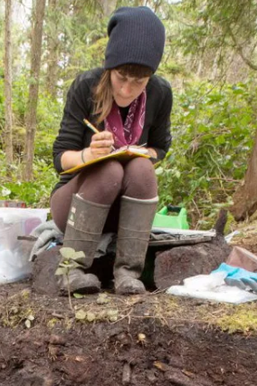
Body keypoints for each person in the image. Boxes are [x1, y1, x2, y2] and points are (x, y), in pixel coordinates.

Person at [50, 6, 171, 296]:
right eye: (121, 77)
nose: (128, 90)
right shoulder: (86, 86)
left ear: (150, 77)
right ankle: (72, 270)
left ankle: (128, 274)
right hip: (76, 204)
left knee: (141, 168)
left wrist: (140, 153)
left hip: (124, 210)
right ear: (110, 67)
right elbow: (60, 157)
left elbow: (160, 147)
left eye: (138, 82)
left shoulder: (160, 93)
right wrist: (88, 156)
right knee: (109, 168)